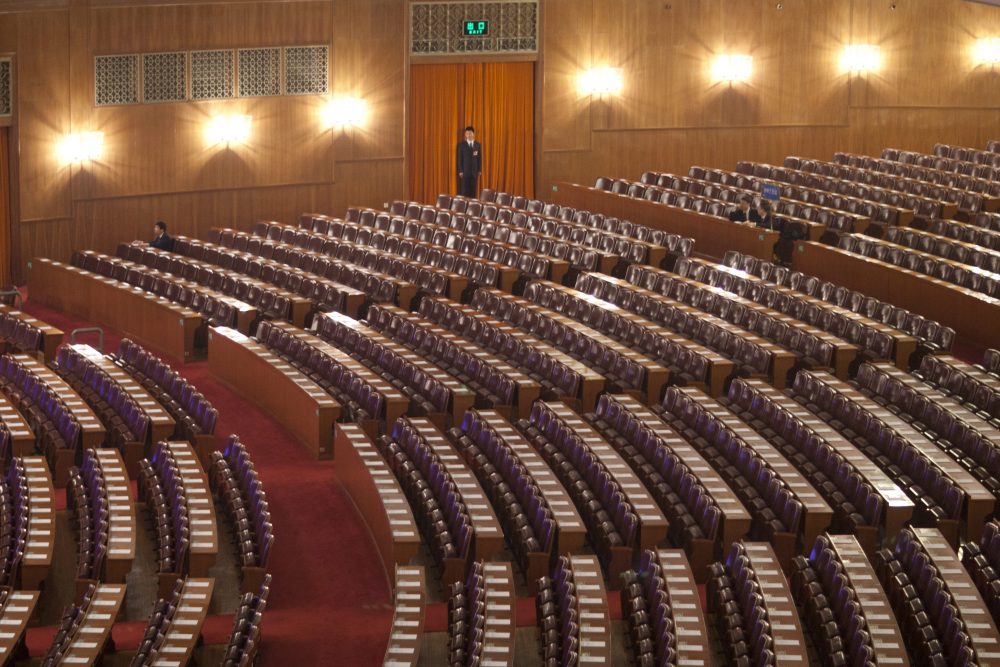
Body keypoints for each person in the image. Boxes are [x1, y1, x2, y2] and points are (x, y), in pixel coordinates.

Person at [456, 126, 482, 198]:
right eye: (467, 133)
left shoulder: (477, 144)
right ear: (465, 134)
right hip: (465, 172)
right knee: (464, 191)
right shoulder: (461, 145)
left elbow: (479, 158)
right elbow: (459, 158)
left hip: (474, 172)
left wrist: (479, 170)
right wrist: (460, 170)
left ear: (473, 134)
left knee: (473, 191)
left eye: (470, 133)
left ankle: (472, 206)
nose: (468, 135)